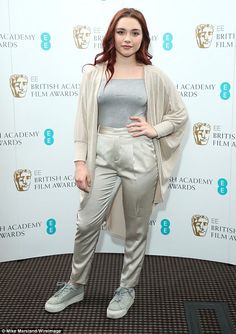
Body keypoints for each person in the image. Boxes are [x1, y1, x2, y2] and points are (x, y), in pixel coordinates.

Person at [45, 8, 188, 319]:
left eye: (135, 33)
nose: (128, 38)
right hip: (102, 153)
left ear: (143, 39)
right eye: (122, 32)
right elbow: (83, 121)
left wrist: (155, 129)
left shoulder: (154, 75)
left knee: (137, 228)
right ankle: (76, 283)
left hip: (140, 154)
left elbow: (179, 115)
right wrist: (80, 162)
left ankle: (126, 288)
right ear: (112, 35)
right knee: (86, 223)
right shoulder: (94, 74)